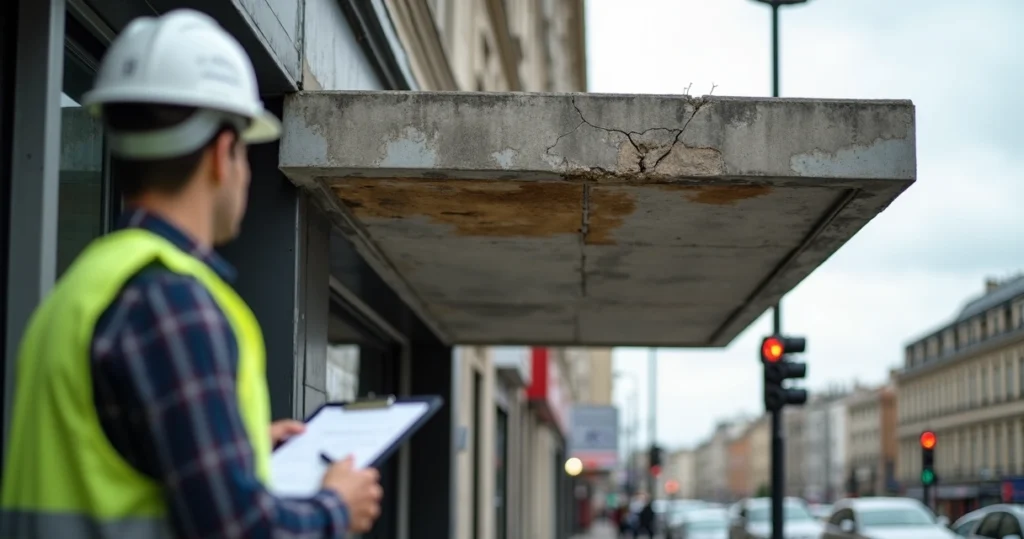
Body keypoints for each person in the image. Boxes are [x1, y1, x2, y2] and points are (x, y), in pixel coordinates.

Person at [0, 9, 381, 539]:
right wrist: (336, 507)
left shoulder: (80, 289)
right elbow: (236, 528)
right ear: (223, 155)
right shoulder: (174, 303)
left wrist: (235, 445)